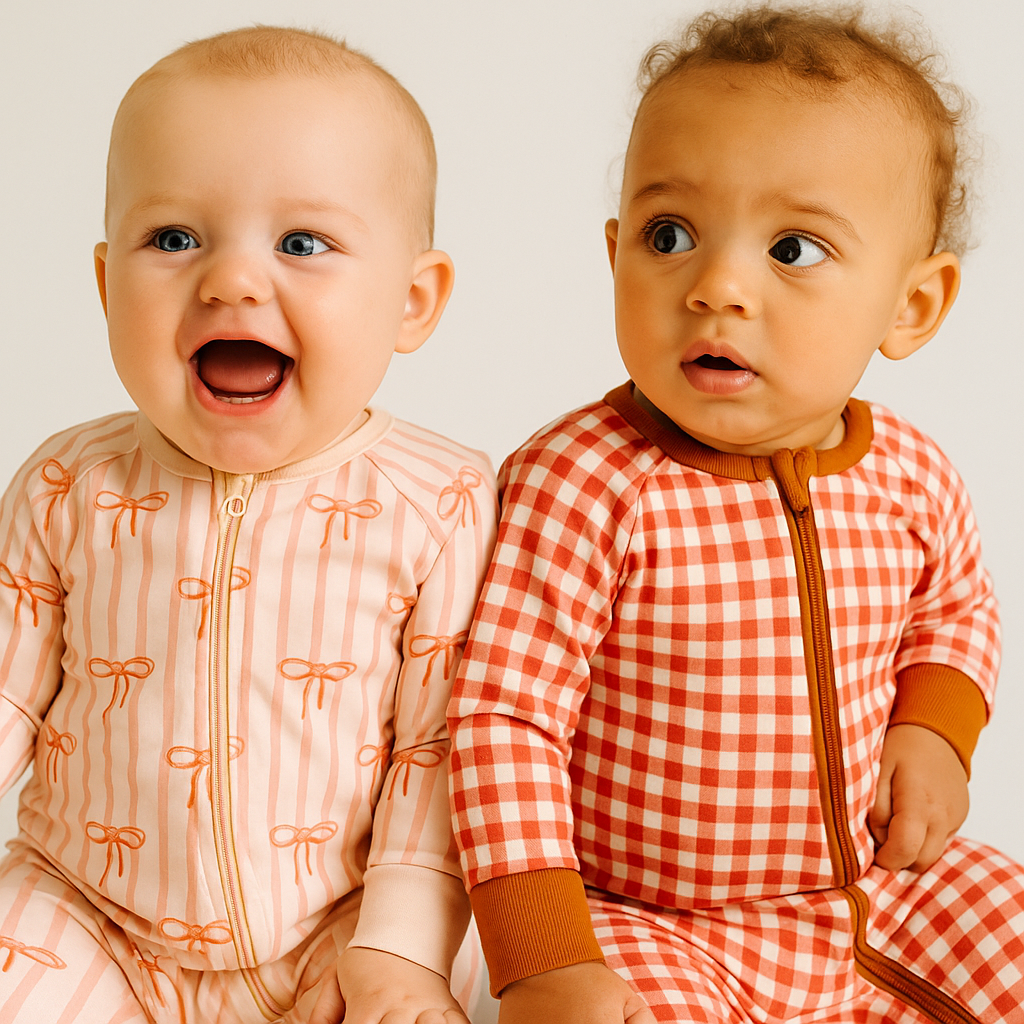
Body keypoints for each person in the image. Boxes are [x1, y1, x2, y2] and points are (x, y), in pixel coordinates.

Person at [447, 6, 1024, 1022]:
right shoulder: (582, 481)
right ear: (615, 249)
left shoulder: (909, 473)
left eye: (793, 249)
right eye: (670, 236)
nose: (715, 287)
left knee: (1006, 913)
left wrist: (935, 730)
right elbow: (505, 720)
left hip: (872, 895)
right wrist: (543, 954)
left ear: (912, 306)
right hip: (643, 912)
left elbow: (956, 610)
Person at [0, 25, 496, 1024]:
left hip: (344, 928)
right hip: (90, 908)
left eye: (301, 244)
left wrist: (400, 946)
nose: (229, 279)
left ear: (411, 299)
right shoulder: (67, 482)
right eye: (173, 239)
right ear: (106, 287)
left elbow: (438, 748)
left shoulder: (440, 501)